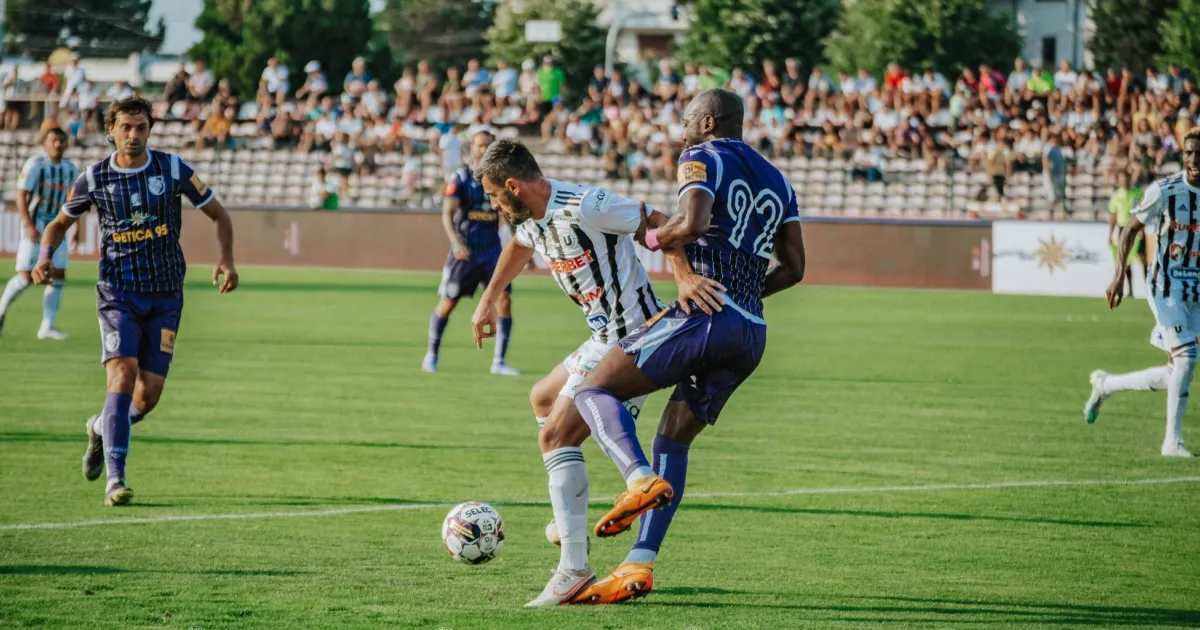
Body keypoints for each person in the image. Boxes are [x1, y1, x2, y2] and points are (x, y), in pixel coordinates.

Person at [568, 88, 807, 604]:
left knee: (593, 390)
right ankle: (638, 564)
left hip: (705, 313)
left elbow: (693, 223)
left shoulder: (701, 156)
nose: (680, 128)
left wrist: (656, 239)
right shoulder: (781, 180)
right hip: (751, 331)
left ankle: (637, 481)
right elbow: (795, 269)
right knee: (674, 439)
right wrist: (743, 296)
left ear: (706, 121)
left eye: (685, 119)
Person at [467, 138, 725, 607]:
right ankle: (572, 523)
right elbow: (520, 250)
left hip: (634, 343)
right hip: (602, 339)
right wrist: (487, 300)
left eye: (490, 194)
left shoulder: (586, 204)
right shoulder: (532, 219)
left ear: (512, 185)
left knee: (555, 438)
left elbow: (657, 222)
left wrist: (683, 275)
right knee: (543, 399)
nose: (490, 204)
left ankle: (574, 567)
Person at [31, 97, 239, 505]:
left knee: (148, 396)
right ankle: (116, 479)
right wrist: (43, 257)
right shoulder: (94, 178)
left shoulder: (172, 168)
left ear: (149, 129)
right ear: (111, 130)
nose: (133, 134)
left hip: (164, 296)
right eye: (126, 127)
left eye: (140, 127)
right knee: (122, 374)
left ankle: (98, 426)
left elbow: (221, 215)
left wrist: (227, 260)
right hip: (117, 294)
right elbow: (58, 223)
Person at [1086, 128, 1200, 458]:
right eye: (1189, 153)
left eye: (1199, 153)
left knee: (1177, 369)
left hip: (1195, 291)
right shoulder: (1164, 191)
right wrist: (1119, 275)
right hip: (1165, 287)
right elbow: (1129, 229)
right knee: (1188, 357)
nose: (1194, 160)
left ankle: (1106, 385)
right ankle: (1172, 443)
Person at [423, 130, 518, 375]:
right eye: (480, 145)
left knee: (504, 301)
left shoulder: (500, 180)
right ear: (472, 148)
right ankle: (431, 355)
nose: (484, 149)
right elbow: (447, 213)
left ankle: (499, 361)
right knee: (448, 302)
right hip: (466, 251)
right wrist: (456, 243)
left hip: (493, 251)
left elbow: (506, 216)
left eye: (489, 145)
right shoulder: (461, 178)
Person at [0, 128, 79, 339]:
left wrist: (76, 228)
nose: (58, 144)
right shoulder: (36, 165)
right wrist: (27, 224)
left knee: (58, 276)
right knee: (25, 276)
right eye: (53, 140)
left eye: (61, 140)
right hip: (36, 227)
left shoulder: (71, 168)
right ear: (45, 143)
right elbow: (21, 194)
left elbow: (74, 202)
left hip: (58, 228)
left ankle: (47, 326)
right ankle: (1, 312)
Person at [1108, 170, 1145, 297]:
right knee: (1125, 260)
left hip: (1137, 228)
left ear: (1130, 179)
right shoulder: (1116, 196)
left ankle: (1148, 289)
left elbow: (1142, 213)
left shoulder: (1138, 194)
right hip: (1122, 229)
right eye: (1122, 180)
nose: (1124, 182)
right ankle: (1130, 290)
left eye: (1126, 179)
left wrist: (1141, 230)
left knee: (1143, 260)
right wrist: (1110, 234)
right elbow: (1113, 216)